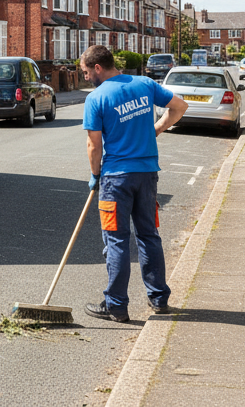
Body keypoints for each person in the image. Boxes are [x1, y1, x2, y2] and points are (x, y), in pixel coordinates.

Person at [79, 44, 188, 322]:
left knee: (116, 240)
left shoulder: (96, 98)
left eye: (86, 72)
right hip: (148, 173)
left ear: (98, 68)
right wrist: (156, 130)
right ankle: (159, 298)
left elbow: (94, 146)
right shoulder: (145, 84)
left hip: (116, 179)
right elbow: (180, 107)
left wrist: (95, 175)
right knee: (148, 235)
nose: (86, 77)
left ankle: (116, 305)